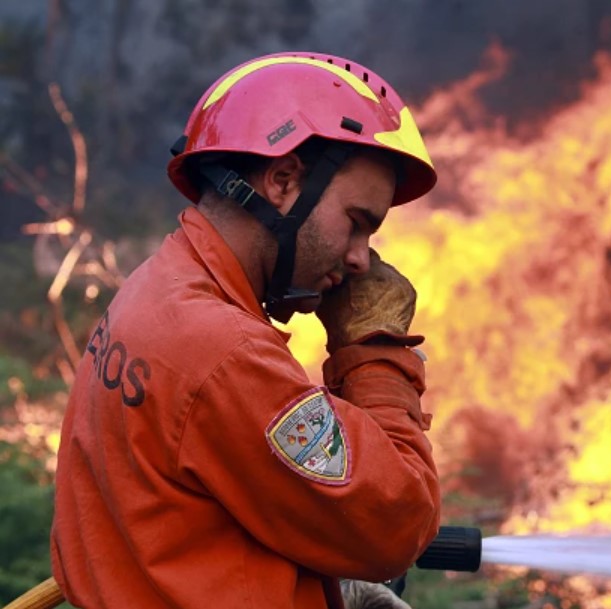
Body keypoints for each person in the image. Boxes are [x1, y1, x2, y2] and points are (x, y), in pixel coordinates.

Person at [50, 52, 441, 609]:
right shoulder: (226, 354)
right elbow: (398, 523)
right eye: (357, 223)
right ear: (283, 181)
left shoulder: (157, 289)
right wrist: (373, 346)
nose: (362, 259)